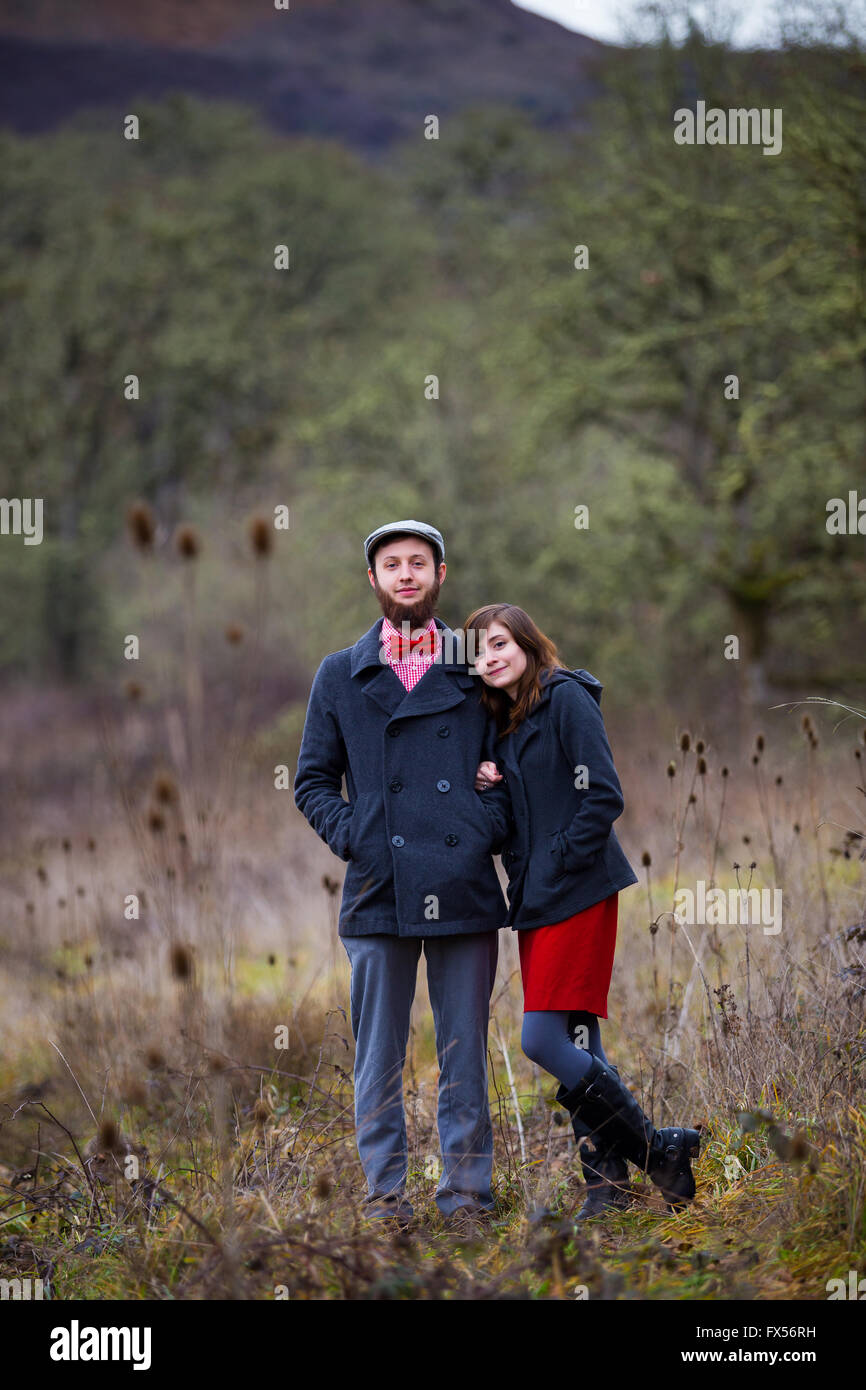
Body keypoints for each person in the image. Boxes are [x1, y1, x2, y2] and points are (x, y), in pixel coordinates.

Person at [293, 521, 510, 1232]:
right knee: (378, 1058)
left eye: (419, 563)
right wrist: (358, 835)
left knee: (462, 1055)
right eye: (393, 565)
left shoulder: (478, 663)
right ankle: (385, 1197)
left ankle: (468, 1196)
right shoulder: (340, 672)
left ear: (441, 574)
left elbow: (519, 761)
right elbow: (313, 782)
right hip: (378, 888)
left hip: (464, 886)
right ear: (375, 580)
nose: (406, 574)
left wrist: (487, 819)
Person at [465, 603, 701, 1217]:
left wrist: (556, 862)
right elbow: (516, 820)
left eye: (499, 644)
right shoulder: (505, 724)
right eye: (479, 651)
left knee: (541, 1038)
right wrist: (491, 784)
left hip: (577, 887)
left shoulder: (566, 699)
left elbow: (604, 796)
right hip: (536, 900)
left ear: (527, 643)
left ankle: (657, 1149)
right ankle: (607, 1188)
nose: (490, 658)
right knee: (578, 1036)